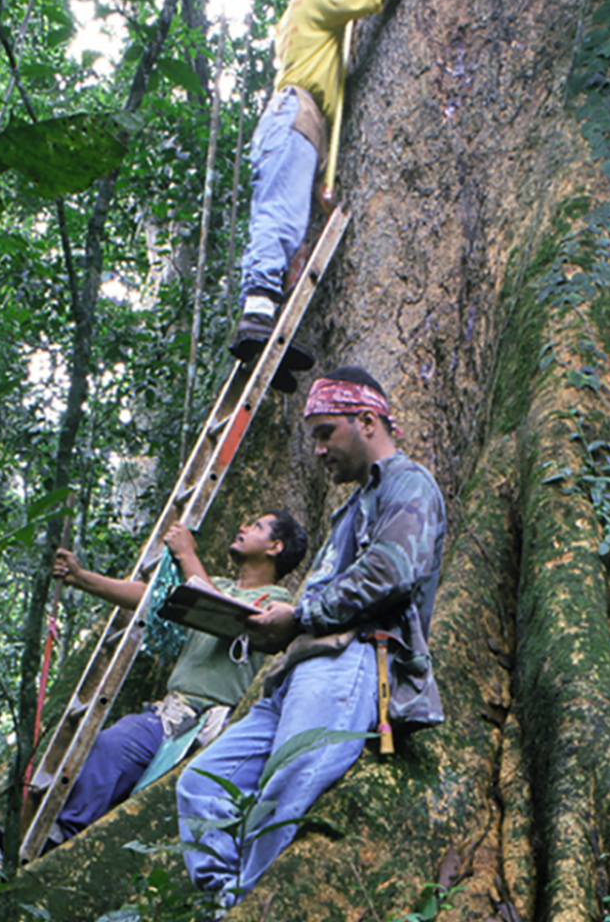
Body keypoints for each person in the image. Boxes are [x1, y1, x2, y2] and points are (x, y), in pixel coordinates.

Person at [177, 366, 445, 911]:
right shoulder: (351, 506)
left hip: (351, 660)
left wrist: (297, 616)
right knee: (201, 781)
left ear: (367, 420)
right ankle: (226, 898)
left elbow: (392, 571)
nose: (318, 450)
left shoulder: (407, 483)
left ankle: (249, 904)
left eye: (326, 433)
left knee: (286, 784)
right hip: (295, 671)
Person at [229, 0, 420, 389]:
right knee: (279, 218)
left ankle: (264, 328)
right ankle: (257, 315)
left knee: (288, 222)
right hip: (295, 116)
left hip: (298, 122)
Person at [48, 512, 308, 843]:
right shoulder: (220, 585)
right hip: (171, 714)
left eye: (256, 526)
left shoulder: (277, 602)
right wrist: (83, 578)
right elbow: (151, 597)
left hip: (218, 726)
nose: (242, 528)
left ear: (275, 547)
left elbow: (221, 611)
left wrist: (187, 555)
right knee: (113, 744)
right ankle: (62, 834)